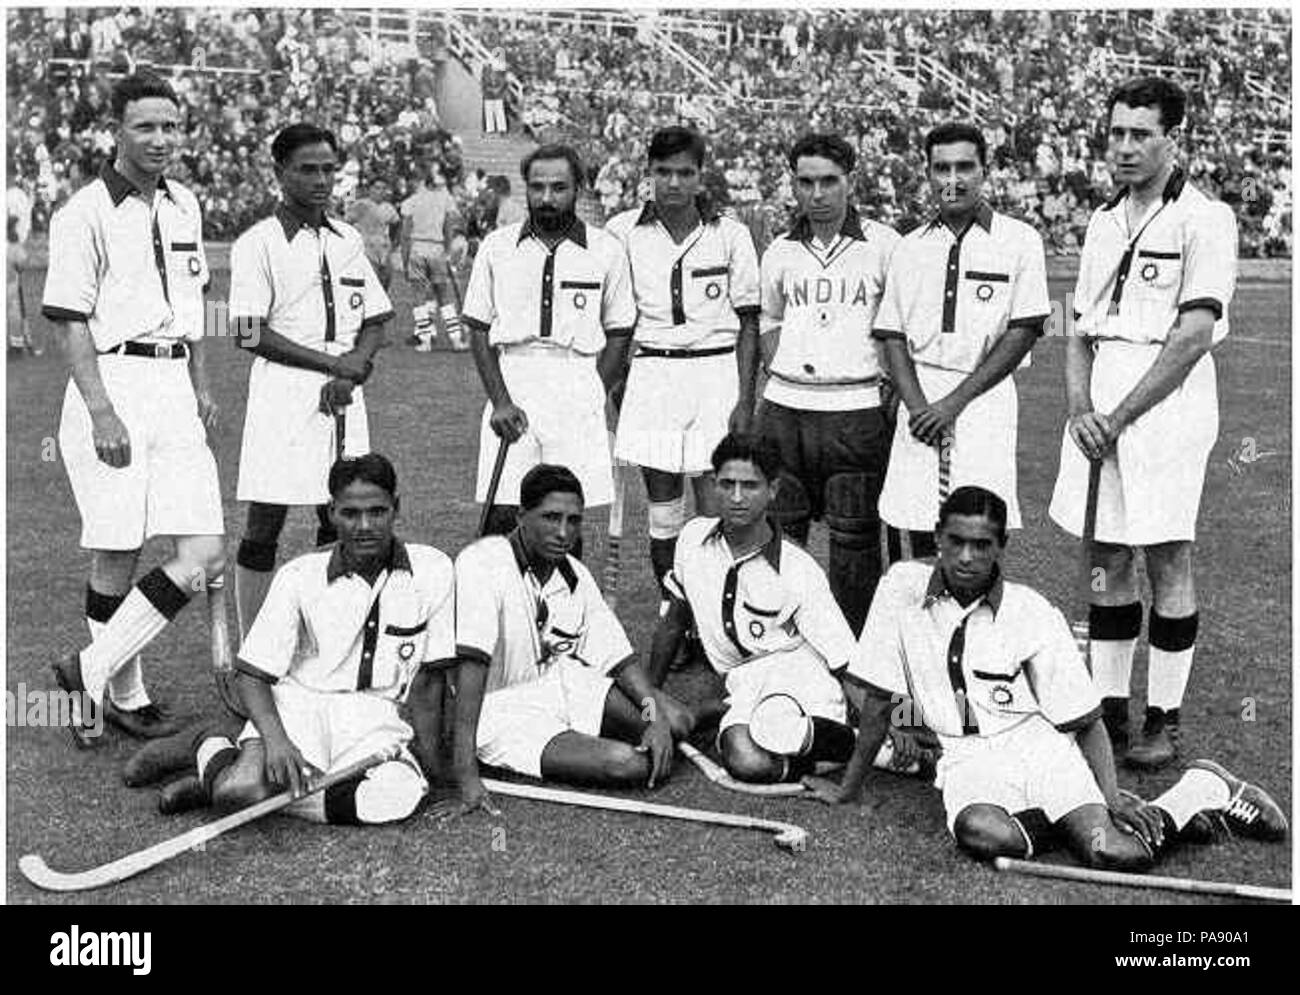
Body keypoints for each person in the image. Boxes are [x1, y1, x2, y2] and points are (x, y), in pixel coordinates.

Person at [807, 486, 1287, 870]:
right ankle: (1083, 819)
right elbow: (876, 701)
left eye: (982, 545)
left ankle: (1201, 789)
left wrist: (1111, 796)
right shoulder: (900, 590)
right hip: (966, 759)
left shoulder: (1032, 612)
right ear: (938, 536)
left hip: (1042, 750)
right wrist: (848, 789)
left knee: (1115, 853)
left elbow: (1086, 722)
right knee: (981, 831)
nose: (967, 557)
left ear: (1001, 547)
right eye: (956, 541)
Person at [1048, 78, 1239, 769]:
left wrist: (1120, 415)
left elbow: (1192, 336)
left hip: (1166, 410)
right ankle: (1106, 710)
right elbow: (1076, 326)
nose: (1124, 148)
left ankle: (1163, 716)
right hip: (1097, 409)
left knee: (1165, 553)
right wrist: (1079, 411)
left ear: (1172, 138)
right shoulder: (1103, 219)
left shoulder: (1205, 218)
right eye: (1117, 133)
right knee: (1105, 557)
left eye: (1140, 134)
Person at [43, 72, 225, 746]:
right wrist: (102, 411)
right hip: (113, 384)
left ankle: (84, 669)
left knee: (203, 548)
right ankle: (128, 695)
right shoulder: (82, 212)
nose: (159, 139)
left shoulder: (185, 206)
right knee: (117, 546)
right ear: (116, 129)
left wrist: (202, 385)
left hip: (175, 385)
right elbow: (70, 322)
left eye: (170, 126)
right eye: (145, 126)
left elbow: (195, 307)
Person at [131, 454, 456, 823]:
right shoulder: (298, 575)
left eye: (377, 512)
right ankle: (210, 744)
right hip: (300, 705)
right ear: (331, 512)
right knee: (243, 791)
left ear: (396, 508)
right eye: (350, 514)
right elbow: (252, 675)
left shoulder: (434, 568)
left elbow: (430, 682)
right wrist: (277, 741)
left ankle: (218, 781)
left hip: (377, 718)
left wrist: (435, 769)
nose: (365, 526)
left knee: (393, 799)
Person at [649, 433, 937, 783]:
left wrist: (889, 721)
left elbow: (847, 663)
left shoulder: (798, 568)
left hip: (800, 675)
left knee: (767, 736)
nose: (737, 497)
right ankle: (845, 747)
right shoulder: (692, 538)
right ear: (713, 485)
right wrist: (648, 702)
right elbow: (674, 621)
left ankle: (884, 749)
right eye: (727, 484)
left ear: (773, 490)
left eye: (750, 486)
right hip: (741, 683)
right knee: (745, 758)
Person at [438, 464, 695, 816]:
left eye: (573, 521)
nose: (563, 532)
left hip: (560, 683)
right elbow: (471, 670)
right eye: (551, 518)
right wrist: (465, 773)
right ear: (521, 515)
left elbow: (621, 660)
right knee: (628, 765)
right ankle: (584, 744)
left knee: (676, 721)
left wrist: (653, 719)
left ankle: (689, 719)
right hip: (496, 709)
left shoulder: (575, 573)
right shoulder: (482, 562)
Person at [228, 123, 393, 641]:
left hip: (346, 392)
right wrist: (331, 367)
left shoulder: (347, 238)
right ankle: (254, 647)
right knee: (266, 520)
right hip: (284, 390)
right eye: (307, 169)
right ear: (280, 173)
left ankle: (332, 634)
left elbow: (376, 317)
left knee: (341, 513)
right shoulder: (258, 242)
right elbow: (248, 331)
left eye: (328, 169)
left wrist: (355, 367)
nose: (321, 180)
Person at [604, 127, 761, 621]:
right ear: (649, 174)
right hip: (653, 374)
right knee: (664, 509)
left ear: (701, 176)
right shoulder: (621, 230)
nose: (674, 183)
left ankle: (719, 613)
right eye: (664, 172)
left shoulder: (729, 233)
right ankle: (678, 615)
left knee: (716, 505)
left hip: (715, 373)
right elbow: (613, 318)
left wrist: (744, 398)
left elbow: (750, 321)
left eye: (685, 173)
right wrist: (613, 382)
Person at [874, 121, 1051, 557]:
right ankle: (917, 618)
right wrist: (918, 406)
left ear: (984, 171)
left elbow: (1024, 329)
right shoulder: (909, 246)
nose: (953, 180)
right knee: (914, 520)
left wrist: (953, 403)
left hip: (983, 397)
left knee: (981, 521)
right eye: (942, 168)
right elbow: (892, 333)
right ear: (929, 173)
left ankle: (975, 622)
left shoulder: (1019, 240)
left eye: (965, 167)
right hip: (920, 396)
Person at [755, 133, 900, 636]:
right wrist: (783, 366)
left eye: (829, 182)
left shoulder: (884, 245)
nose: (817, 194)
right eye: (806, 182)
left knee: (854, 536)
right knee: (779, 532)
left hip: (856, 406)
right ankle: (781, 643)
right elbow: (769, 318)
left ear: (850, 182)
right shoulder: (779, 250)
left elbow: (899, 327)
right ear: (793, 185)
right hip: (785, 408)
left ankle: (852, 651)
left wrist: (888, 386)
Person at [461, 144, 636, 544]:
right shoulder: (497, 246)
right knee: (503, 513)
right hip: (515, 375)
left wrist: (594, 390)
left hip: (576, 375)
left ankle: (565, 606)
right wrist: (500, 400)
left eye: (559, 188)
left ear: (579, 188)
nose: (546, 198)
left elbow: (620, 330)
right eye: (537, 187)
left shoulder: (606, 249)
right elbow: (478, 329)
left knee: (566, 517)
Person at [401, 166, 466, 350]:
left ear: (423, 182)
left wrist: (406, 261)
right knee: (444, 296)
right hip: (437, 249)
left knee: (419, 297)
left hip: (418, 248)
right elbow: (448, 228)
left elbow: (405, 234)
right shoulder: (445, 200)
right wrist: (445, 251)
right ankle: (456, 340)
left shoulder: (411, 202)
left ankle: (425, 340)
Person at [344, 177, 401, 290]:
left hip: (384, 249)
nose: (381, 191)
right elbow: (347, 223)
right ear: (370, 189)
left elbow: (397, 225)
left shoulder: (388, 207)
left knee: (385, 282)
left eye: (384, 188)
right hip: (366, 248)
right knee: (369, 283)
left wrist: (393, 244)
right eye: (377, 188)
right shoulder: (361, 204)